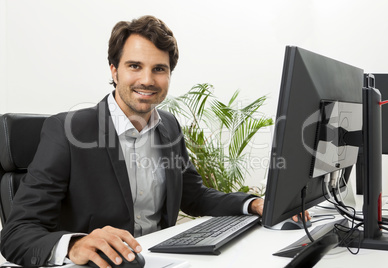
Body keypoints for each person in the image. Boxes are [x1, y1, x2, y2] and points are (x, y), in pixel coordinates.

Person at [0, 15, 264, 268]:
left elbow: (193, 196)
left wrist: (251, 204)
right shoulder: (68, 132)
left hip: (160, 259)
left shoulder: (169, 127)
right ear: (114, 71)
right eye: (134, 66)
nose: (147, 80)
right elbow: (16, 234)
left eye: (159, 69)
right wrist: (75, 245)